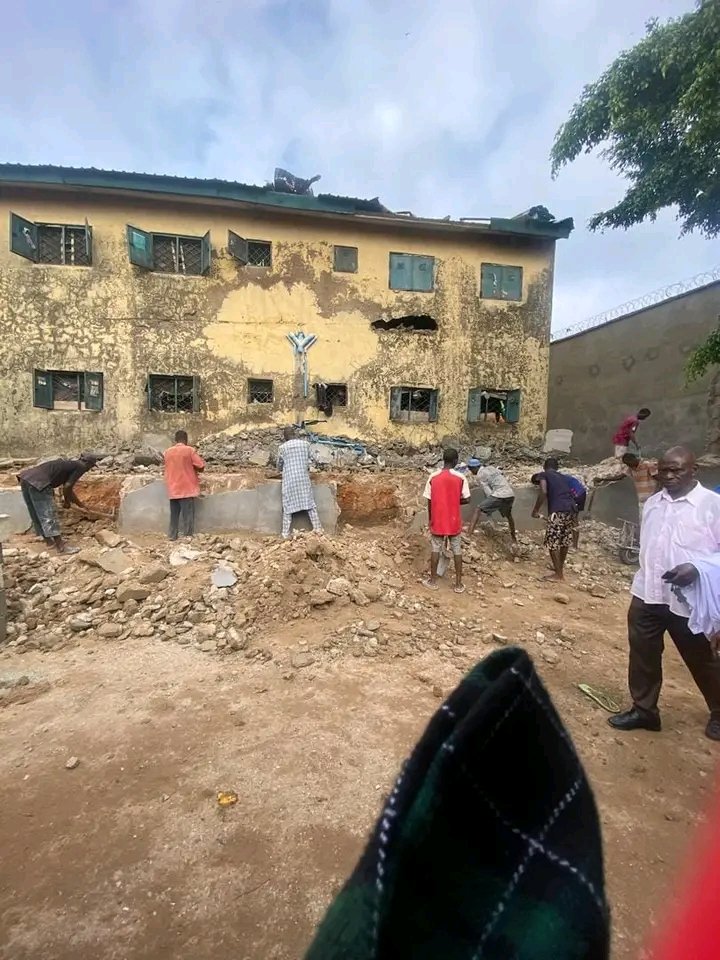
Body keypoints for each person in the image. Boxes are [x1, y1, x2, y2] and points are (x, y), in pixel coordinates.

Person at [608, 446, 720, 741]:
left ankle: (719, 712)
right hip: (648, 593)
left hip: (690, 599)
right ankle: (645, 711)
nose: (668, 476)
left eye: (677, 470)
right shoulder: (655, 503)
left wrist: (697, 568)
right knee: (643, 654)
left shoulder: (711, 506)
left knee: (702, 657)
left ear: (693, 471)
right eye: (664, 470)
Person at [17, 452, 102, 554]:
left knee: (36, 512)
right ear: (88, 463)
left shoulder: (69, 465)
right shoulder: (81, 467)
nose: (89, 469)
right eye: (91, 466)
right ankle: (61, 547)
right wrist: (67, 502)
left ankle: (49, 542)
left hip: (26, 478)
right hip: (40, 482)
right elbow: (68, 486)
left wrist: (80, 504)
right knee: (48, 514)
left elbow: (67, 488)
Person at [422, 448, 471, 593]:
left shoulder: (433, 477)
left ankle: (433, 581)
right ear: (456, 461)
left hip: (438, 518)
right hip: (453, 519)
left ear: (443, 460)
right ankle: (458, 584)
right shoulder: (461, 477)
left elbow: (429, 501)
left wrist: (431, 518)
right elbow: (467, 498)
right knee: (457, 550)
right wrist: (454, 501)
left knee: (435, 548)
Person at [531, 458, 578, 581]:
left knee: (552, 542)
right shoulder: (563, 477)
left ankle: (558, 574)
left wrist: (535, 510)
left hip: (558, 510)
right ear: (557, 468)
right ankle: (559, 568)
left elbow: (543, 491)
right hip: (571, 509)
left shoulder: (544, 475)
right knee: (564, 541)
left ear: (544, 466)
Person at [277, 426, 322, 538]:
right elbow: (315, 458)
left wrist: (281, 468)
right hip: (303, 480)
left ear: (285, 436)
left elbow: (279, 465)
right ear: (294, 434)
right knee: (310, 505)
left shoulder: (282, 448)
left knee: (287, 507)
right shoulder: (305, 444)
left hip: (289, 481)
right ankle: (318, 529)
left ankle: (285, 534)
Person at [163, 430, 205, 540]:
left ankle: (172, 536)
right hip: (187, 488)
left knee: (174, 516)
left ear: (175, 440)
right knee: (188, 516)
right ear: (186, 439)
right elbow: (201, 466)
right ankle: (188, 537)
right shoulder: (189, 450)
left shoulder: (168, 452)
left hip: (173, 488)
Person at [466, 461, 517, 542]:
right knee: (509, 516)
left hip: (499, 495)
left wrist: (488, 508)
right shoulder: (491, 468)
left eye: (471, 469)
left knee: (478, 509)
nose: (471, 472)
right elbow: (501, 474)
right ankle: (514, 538)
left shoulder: (480, 475)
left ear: (475, 468)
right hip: (510, 494)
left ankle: (469, 535)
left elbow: (488, 493)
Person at [621, 452, 658, 520]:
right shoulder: (631, 469)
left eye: (630, 463)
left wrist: (657, 494)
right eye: (628, 465)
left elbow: (659, 479)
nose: (630, 466)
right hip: (642, 501)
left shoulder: (648, 465)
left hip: (653, 500)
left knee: (654, 520)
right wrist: (602, 479)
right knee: (643, 522)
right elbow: (620, 477)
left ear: (634, 458)